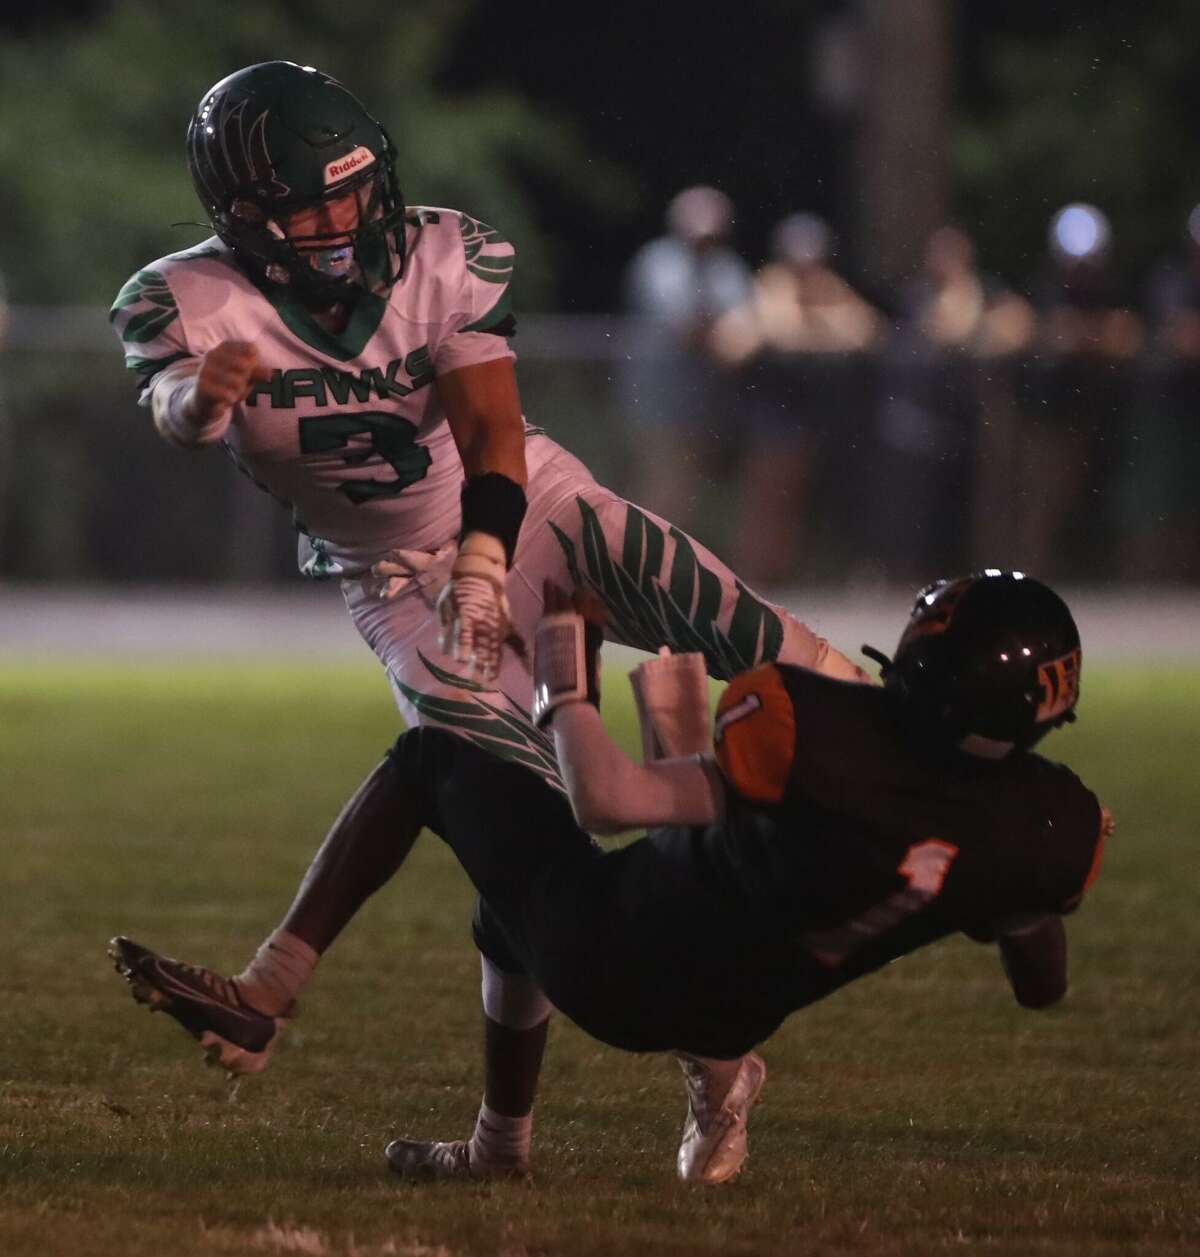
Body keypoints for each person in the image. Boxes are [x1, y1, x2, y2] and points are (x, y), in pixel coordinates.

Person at [107, 61, 867, 1131]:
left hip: (525, 507)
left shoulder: (443, 253)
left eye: (352, 191)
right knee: (523, 842)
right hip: (391, 577)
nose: (341, 221)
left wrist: (483, 559)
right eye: (310, 205)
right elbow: (172, 402)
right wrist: (198, 403)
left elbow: (491, 433)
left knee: (754, 632)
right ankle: (671, 1062)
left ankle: (952, 768)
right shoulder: (183, 298)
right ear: (242, 217)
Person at [118, 571, 1109, 1186]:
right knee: (507, 908)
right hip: (737, 1004)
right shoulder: (1045, 832)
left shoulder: (817, 733)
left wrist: (565, 663)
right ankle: (507, 1148)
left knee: (433, 758)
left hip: (615, 961)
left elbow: (609, 801)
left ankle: (270, 988)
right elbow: (1041, 981)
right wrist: (1013, 897)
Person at [709, 212, 883, 586]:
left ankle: (785, 579)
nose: (806, 271)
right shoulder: (770, 287)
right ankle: (750, 578)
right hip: (770, 418)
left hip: (815, 418)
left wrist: (821, 316)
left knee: (798, 503)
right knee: (765, 501)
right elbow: (745, 338)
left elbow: (867, 331)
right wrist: (801, 323)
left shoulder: (830, 291)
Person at [619, 185, 753, 535]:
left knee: (688, 490)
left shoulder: (728, 270)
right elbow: (685, 328)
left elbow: (744, 330)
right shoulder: (658, 264)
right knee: (661, 484)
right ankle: (637, 555)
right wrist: (726, 338)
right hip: (656, 399)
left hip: (705, 402)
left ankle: (663, 558)